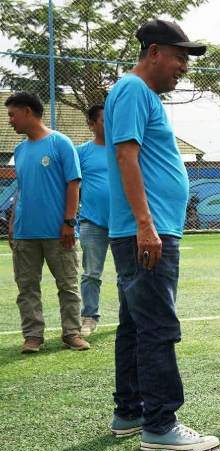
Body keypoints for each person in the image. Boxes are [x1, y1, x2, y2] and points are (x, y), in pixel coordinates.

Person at [104, 19, 218, 451]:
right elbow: (126, 155)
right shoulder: (134, 91)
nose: (184, 66)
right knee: (156, 325)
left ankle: (130, 411)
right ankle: (160, 423)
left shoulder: (135, 93)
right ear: (154, 52)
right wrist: (145, 224)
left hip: (142, 229)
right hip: (148, 232)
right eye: (179, 56)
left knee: (135, 324)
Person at [5, 92, 89, 353]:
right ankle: (32, 336)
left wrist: (68, 222)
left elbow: (73, 184)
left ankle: (72, 333)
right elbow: (21, 189)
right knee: (26, 287)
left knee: (68, 285)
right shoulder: (19, 150)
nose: (10, 121)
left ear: (28, 112)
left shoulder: (60, 143)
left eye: (12, 115)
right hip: (24, 232)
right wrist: (12, 223)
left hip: (57, 231)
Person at [77, 104, 110, 337]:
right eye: (105, 120)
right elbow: (69, 185)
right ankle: (89, 317)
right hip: (92, 222)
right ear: (91, 124)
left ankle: (131, 317)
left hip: (124, 222)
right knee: (91, 274)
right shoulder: (81, 153)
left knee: (129, 274)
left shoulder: (125, 149)